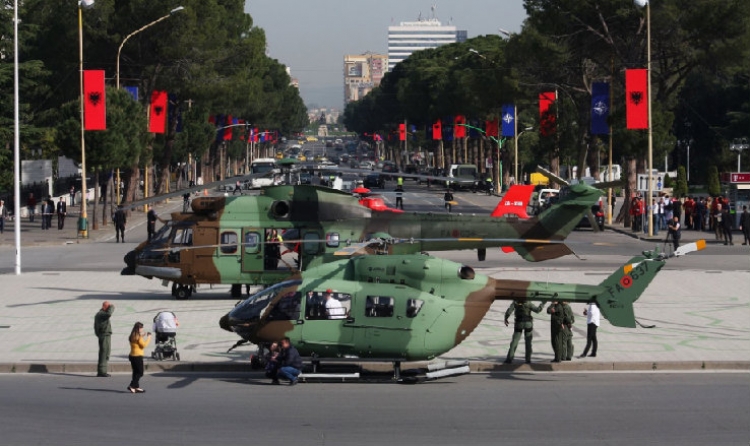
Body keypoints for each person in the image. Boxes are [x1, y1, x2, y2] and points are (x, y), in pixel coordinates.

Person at [503, 300, 545, 364]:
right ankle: (528, 359)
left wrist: (506, 318)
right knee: (528, 342)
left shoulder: (515, 302)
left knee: (514, 341)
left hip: (518, 323)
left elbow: (509, 311)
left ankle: (509, 358)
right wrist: (543, 303)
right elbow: (537, 310)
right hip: (528, 323)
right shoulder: (528, 303)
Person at [127, 322, 151, 393]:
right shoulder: (139, 337)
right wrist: (149, 338)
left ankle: (136, 387)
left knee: (135, 372)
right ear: (138, 328)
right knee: (140, 373)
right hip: (138, 356)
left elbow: (137, 341)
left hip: (132, 356)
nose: (142, 329)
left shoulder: (132, 335)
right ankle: (132, 385)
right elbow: (143, 345)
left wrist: (142, 336)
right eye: (141, 328)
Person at [94, 301, 115, 377]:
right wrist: (112, 307)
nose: (109, 308)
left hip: (105, 335)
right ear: (104, 307)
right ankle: (101, 371)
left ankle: (103, 370)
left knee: (106, 353)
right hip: (104, 335)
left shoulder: (100, 314)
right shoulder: (101, 314)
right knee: (104, 353)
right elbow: (109, 314)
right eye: (108, 307)